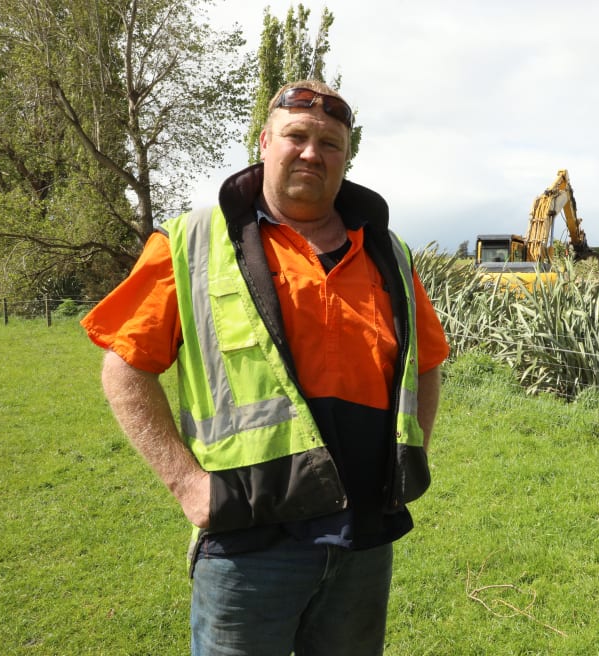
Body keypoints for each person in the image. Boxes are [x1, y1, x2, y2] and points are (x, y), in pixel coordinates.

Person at [81, 79, 449, 656]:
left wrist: (413, 451)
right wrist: (187, 485)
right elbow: (125, 366)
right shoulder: (195, 240)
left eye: (330, 142)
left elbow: (426, 363)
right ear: (264, 142)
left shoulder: (387, 250)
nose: (312, 152)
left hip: (365, 539)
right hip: (249, 541)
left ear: (346, 156)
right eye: (296, 136)